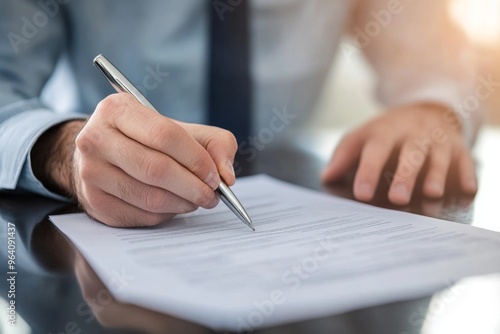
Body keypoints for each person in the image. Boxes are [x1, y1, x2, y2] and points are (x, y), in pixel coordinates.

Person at [0, 0, 481, 228]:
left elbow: (440, 63)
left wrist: (431, 107)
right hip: (89, 227)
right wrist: (61, 148)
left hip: (296, 199)